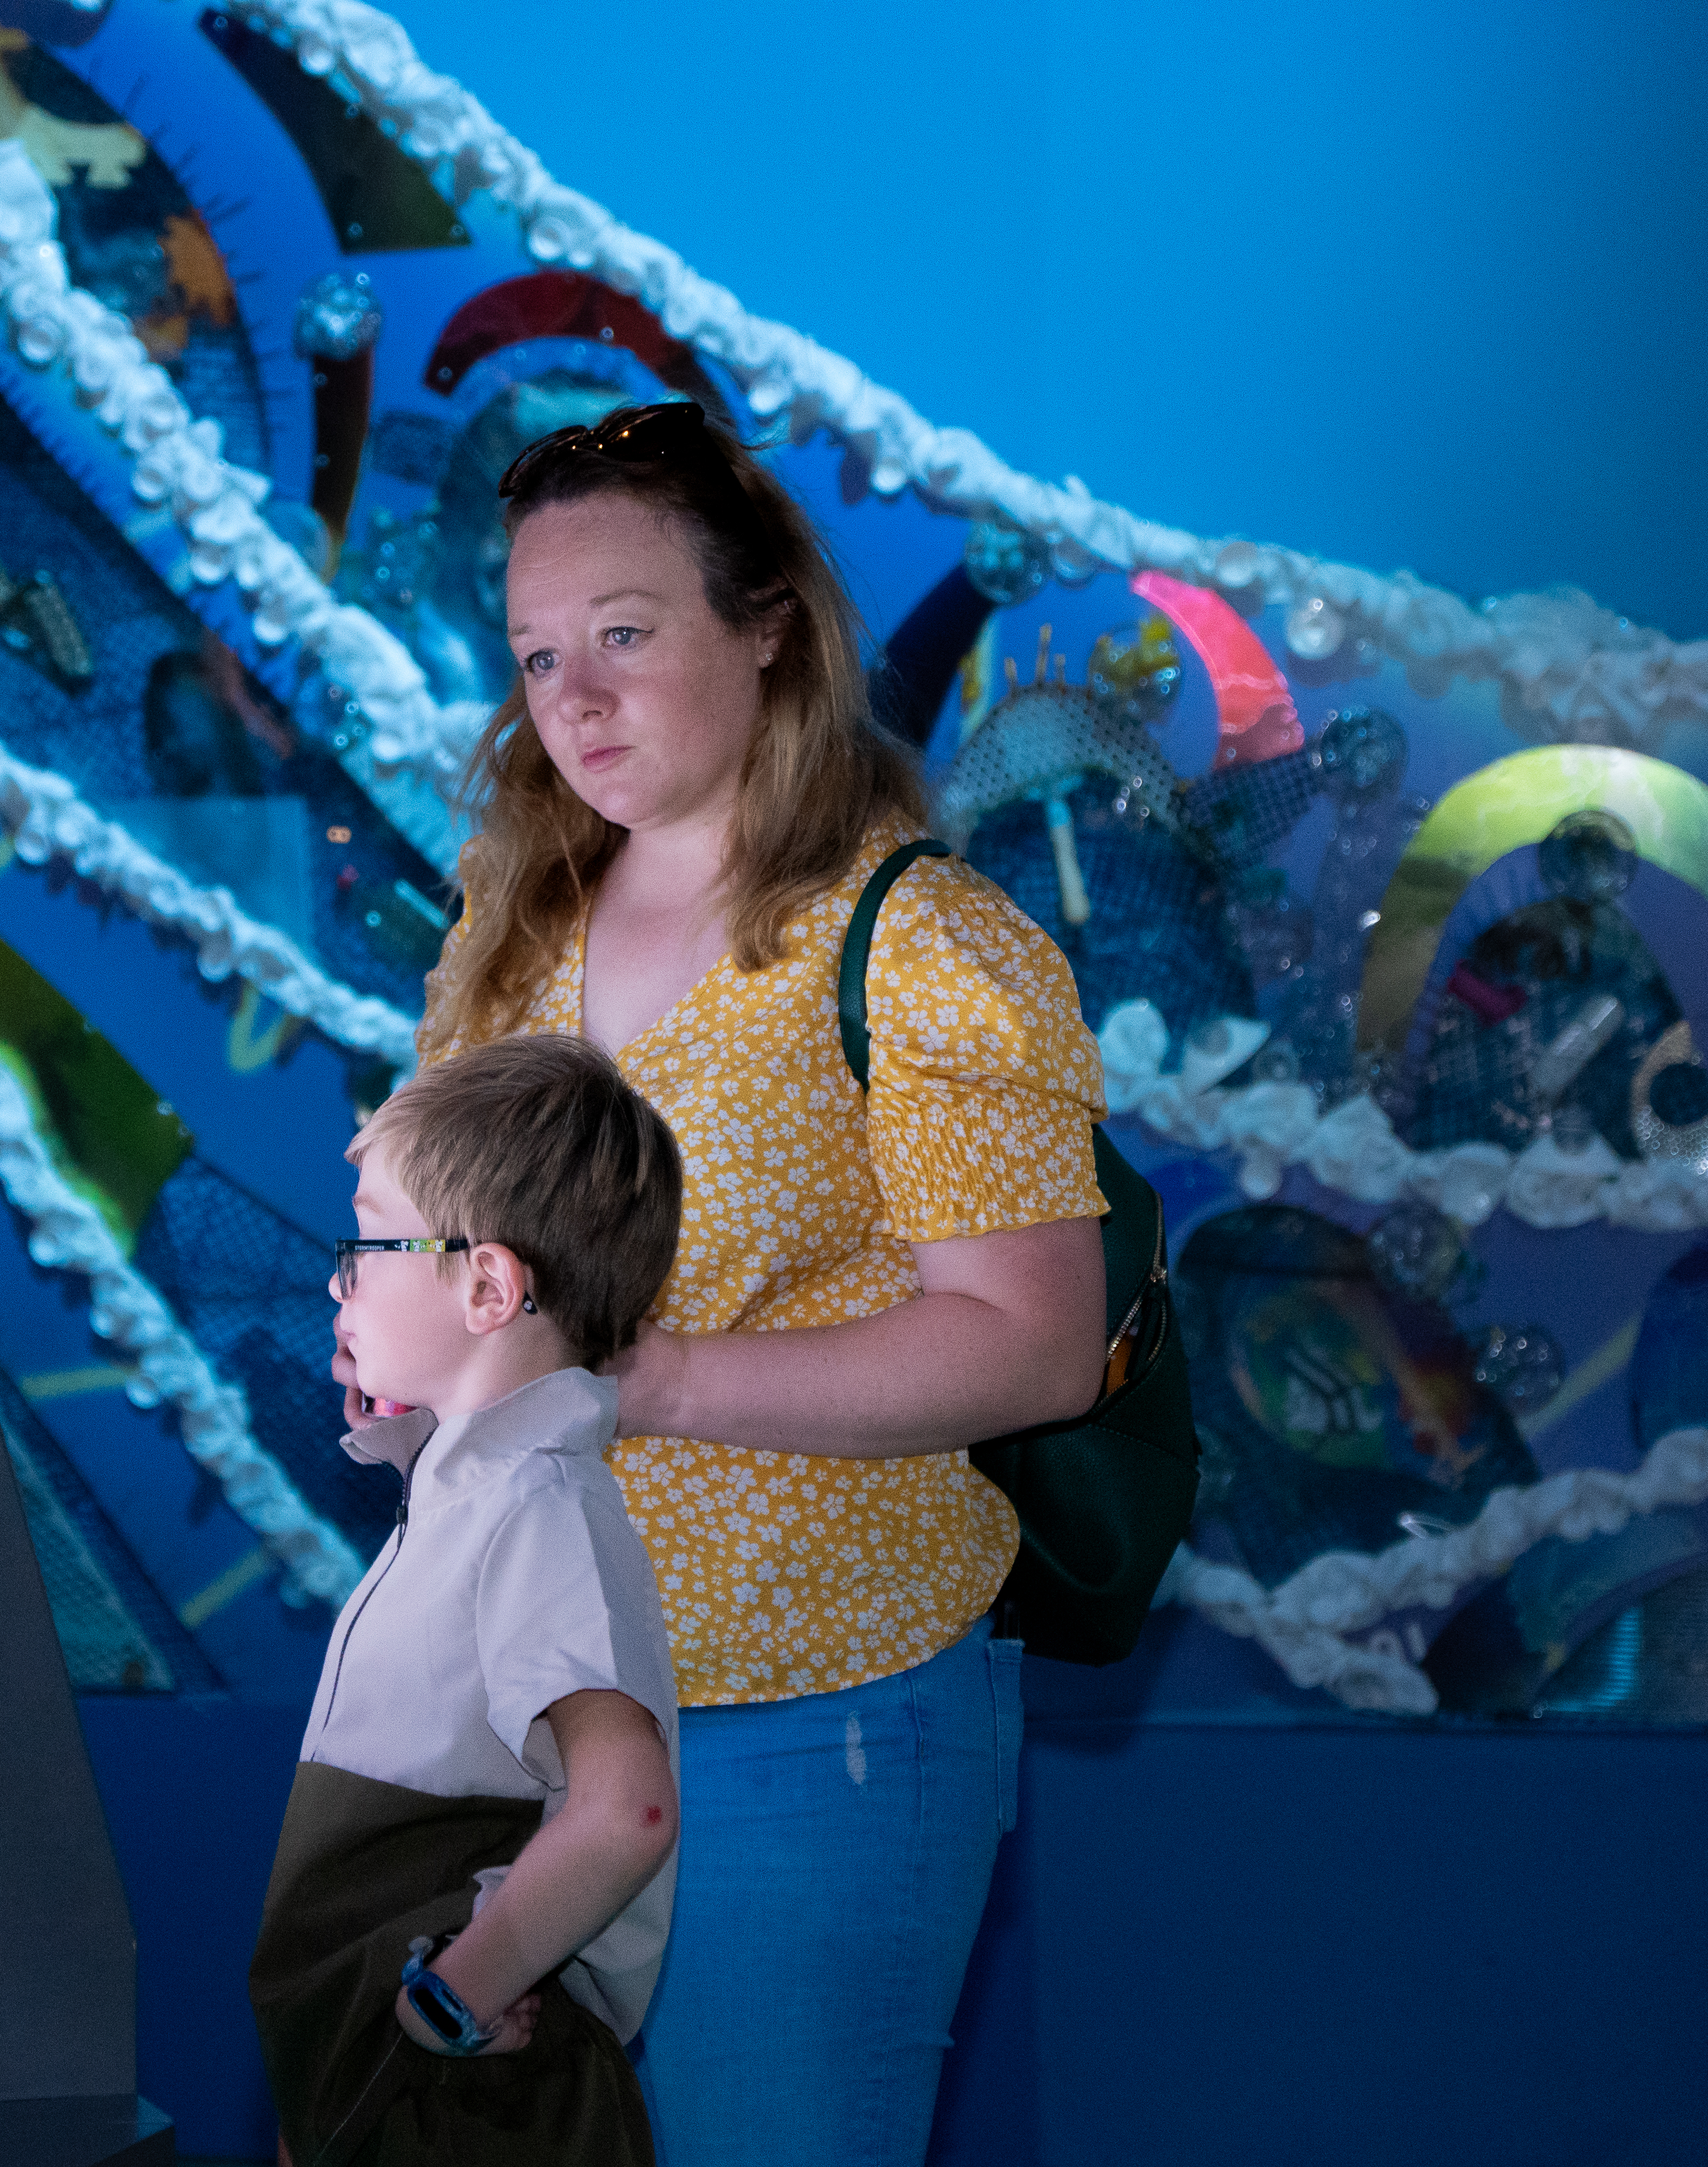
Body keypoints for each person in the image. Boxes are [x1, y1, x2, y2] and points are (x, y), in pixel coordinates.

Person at [421, 401, 1113, 2167]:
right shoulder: (509, 938)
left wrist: (649, 1382)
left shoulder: (922, 940)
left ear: (767, 626)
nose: (571, 696)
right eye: (537, 654)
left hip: (818, 1729)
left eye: (627, 636)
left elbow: (1035, 1349)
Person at [251, 1033, 686, 2166]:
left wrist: (457, 1994)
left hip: (473, 2105)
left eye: (367, 1243)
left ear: (488, 1285)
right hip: (392, 2086)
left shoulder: (535, 1511)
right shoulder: (476, 1494)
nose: (338, 1280)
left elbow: (624, 1808)